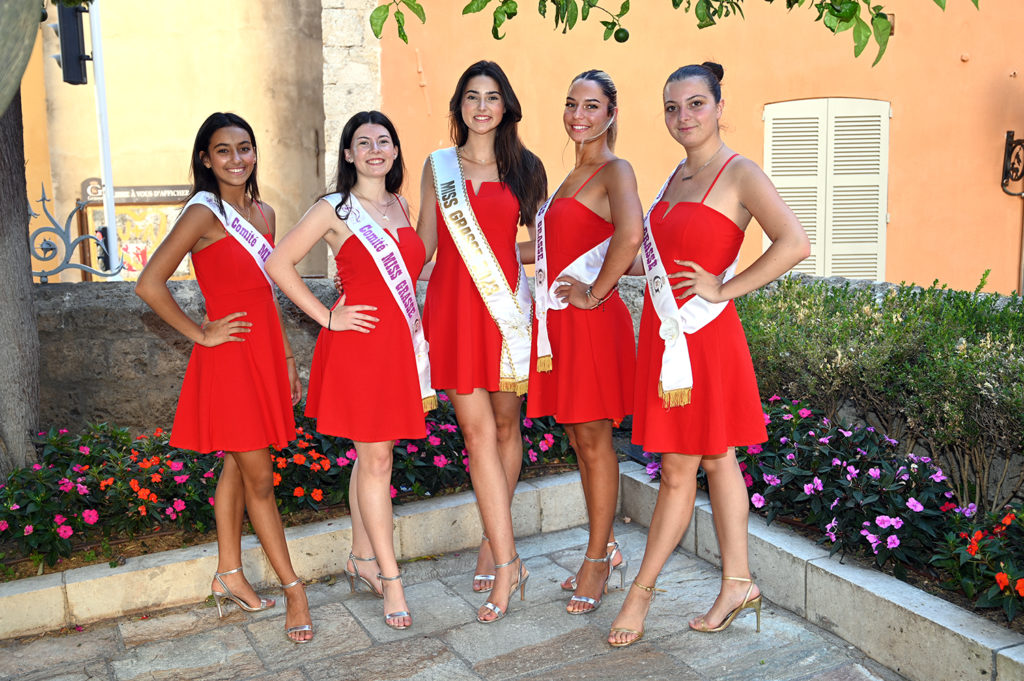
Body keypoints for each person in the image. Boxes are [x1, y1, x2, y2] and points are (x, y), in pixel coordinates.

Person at [606, 62, 810, 647]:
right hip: (669, 339)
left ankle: (639, 595)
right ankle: (738, 582)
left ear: (720, 107)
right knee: (718, 460)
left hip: (704, 337)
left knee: (677, 470)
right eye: (672, 107)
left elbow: (794, 243)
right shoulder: (674, 177)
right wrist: (581, 265)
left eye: (695, 104)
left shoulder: (739, 172)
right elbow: (653, 258)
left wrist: (725, 286)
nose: (683, 117)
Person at [135, 112, 313, 644]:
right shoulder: (202, 213)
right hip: (229, 359)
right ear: (205, 159)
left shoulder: (265, 213)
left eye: (245, 148)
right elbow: (149, 284)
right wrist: (200, 332)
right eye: (224, 150)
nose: (237, 159)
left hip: (263, 357)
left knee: (237, 468)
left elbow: (268, 294)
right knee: (259, 478)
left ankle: (229, 573)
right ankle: (294, 590)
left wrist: (285, 359)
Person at [266, 111, 431, 631]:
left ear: (395, 151)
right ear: (348, 154)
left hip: (397, 348)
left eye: (385, 141)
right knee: (377, 461)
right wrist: (327, 317)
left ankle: (361, 558)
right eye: (364, 143)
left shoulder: (401, 205)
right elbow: (278, 263)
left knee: (371, 457)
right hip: (358, 347)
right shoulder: (335, 208)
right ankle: (391, 579)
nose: (375, 150)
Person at [417, 60, 546, 623]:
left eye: (493, 96)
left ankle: (494, 541)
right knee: (475, 434)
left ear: (506, 106)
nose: (482, 106)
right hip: (451, 309)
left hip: (504, 313)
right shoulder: (437, 167)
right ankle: (509, 561)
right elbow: (423, 243)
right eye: (472, 96)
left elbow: (543, 243)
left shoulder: (527, 168)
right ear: (459, 105)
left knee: (504, 427)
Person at [527, 69, 643, 615]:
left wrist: (596, 293)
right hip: (561, 326)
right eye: (571, 104)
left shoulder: (614, 170)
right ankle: (609, 548)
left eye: (591, 106)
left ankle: (597, 560)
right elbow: (553, 250)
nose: (578, 115)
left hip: (592, 324)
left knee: (595, 443)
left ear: (611, 113)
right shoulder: (568, 178)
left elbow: (631, 235)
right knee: (580, 441)